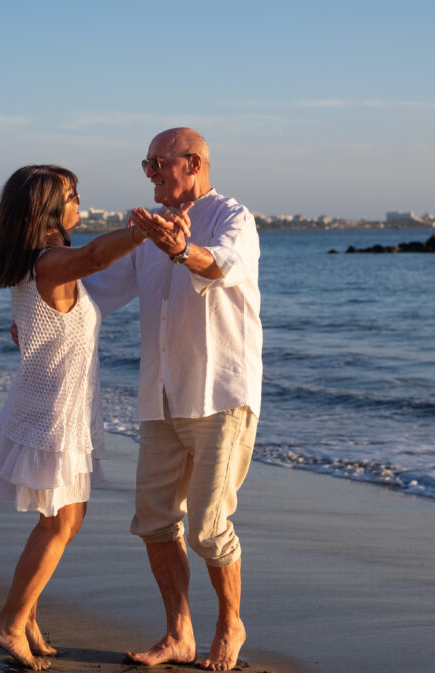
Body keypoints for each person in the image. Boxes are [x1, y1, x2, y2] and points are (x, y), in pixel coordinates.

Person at [83, 128, 262, 671]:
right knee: (155, 522)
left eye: (158, 163)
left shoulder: (234, 217)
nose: (151, 173)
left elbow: (222, 264)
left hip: (220, 394)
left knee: (208, 525)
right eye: (147, 165)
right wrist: (38, 318)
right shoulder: (147, 234)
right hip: (160, 397)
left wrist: (182, 249)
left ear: (194, 162)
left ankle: (231, 626)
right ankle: (179, 635)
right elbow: (94, 293)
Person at [0, 164, 147, 671]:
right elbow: (95, 256)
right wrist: (145, 231)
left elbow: (39, 323)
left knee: (66, 519)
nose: (80, 205)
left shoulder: (37, 262)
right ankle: (8, 622)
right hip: (56, 410)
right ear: (47, 209)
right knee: (61, 521)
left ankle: (24, 616)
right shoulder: (51, 260)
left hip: (56, 401)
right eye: (72, 197)